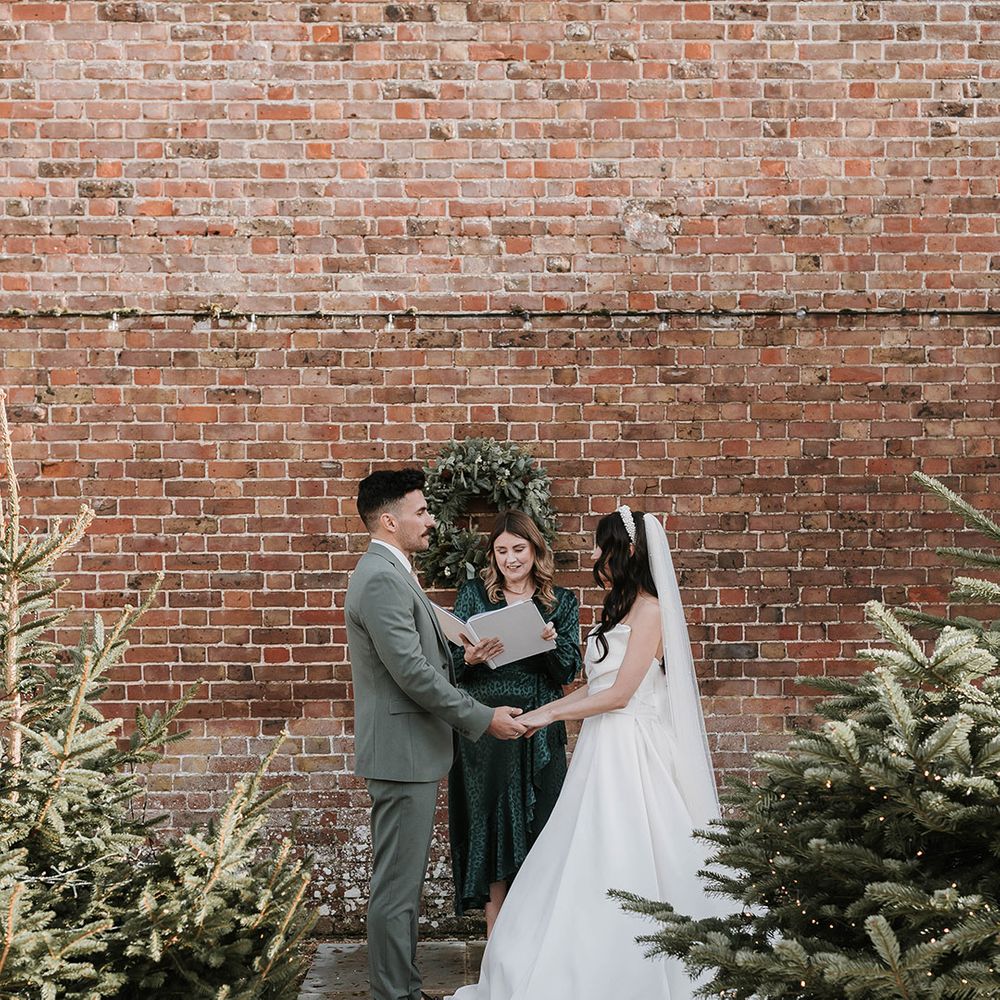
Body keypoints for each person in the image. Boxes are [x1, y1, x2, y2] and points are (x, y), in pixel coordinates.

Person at [448, 505, 727, 1000]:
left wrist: (548, 716)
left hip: (633, 751)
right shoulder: (619, 608)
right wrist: (541, 713)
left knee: (632, 848)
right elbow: (592, 687)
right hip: (601, 748)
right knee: (587, 851)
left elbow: (619, 695)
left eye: (602, 546)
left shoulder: (652, 612)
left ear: (628, 551)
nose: (594, 555)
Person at [344, 469, 527, 1000]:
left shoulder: (393, 571)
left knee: (403, 885)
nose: (430, 521)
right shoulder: (380, 578)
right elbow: (411, 674)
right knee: (396, 888)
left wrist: (464, 658)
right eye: (421, 511)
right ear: (389, 520)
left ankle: (404, 986)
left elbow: (420, 660)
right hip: (401, 755)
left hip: (411, 753)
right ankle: (393, 994)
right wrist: (483, 717)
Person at [448, 511, 582, 937]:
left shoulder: (561, 602)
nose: (511, 559)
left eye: (519, 549)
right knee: (492, 829)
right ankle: (497, 947)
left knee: (543, 826)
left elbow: (568, 672)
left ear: (535, 550)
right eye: (502, 550)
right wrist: (469, 658)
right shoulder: (474, 595)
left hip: (538, 727)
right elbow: (449, 666)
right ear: (493, 555)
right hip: (486, 731)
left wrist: (548, 645)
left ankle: (538, 944)